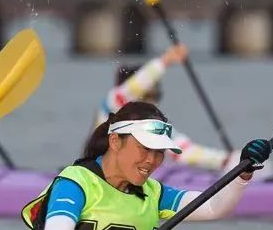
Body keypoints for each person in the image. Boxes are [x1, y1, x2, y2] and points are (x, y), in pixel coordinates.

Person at [23, 101, 272, 230]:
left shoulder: (154, 193)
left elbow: (213, 208)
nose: (152, 161)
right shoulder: (75, 183)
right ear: (115, 141)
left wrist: (243, 172)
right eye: (145, 148)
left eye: (159, 152)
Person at [93, 43, 233, 171]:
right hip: (101, 176)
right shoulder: (112, 105)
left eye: (155, 95)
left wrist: (226, 160)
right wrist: (166, 59)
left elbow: (184, 151)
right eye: (146, 95)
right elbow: (133, 87)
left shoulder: (154, 125)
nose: (151, 102)